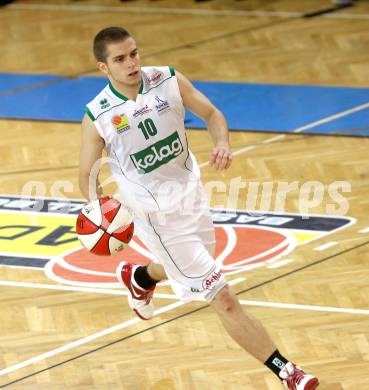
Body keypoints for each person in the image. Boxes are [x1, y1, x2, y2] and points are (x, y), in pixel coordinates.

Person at [79, 26, 319, 390]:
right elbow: (86, 172)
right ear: (103, 67)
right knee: (221, 296)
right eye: (120, 59)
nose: (131, 63)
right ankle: (287, 371)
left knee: (188, 266)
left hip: (191, 196)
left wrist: (222, 142)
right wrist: (98, 207)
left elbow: (212, 114)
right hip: (154, 216)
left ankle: (141, 277)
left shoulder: (168, 79)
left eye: (134, 54)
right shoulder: (97, 113)